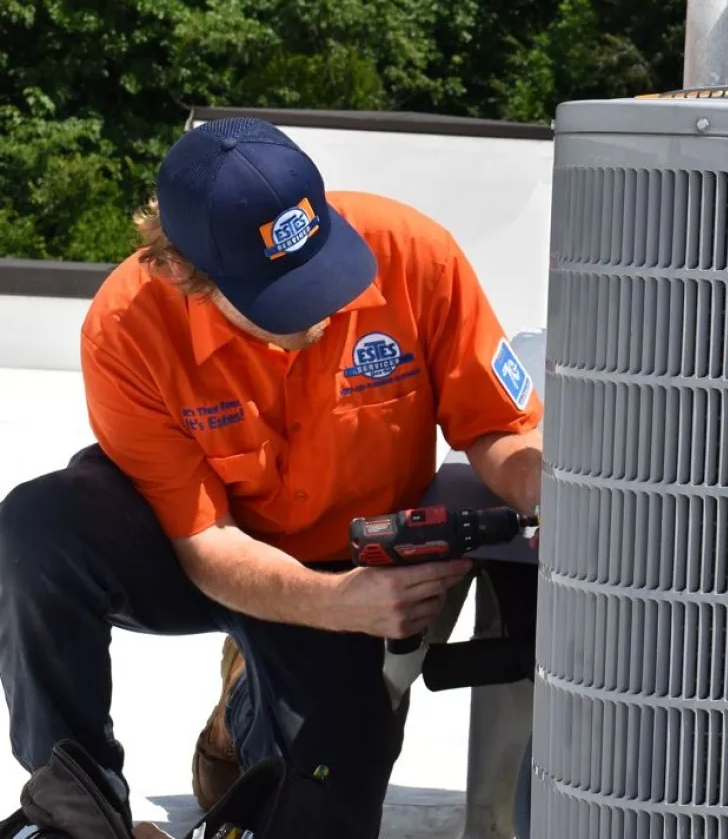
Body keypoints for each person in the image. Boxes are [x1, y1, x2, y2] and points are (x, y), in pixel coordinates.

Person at [0, 117, 544, 838]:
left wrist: (551, 495)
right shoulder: (127, 327)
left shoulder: (416, 255)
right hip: (201, 554)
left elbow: (498, 427)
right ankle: (76, 811)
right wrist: (335, 605)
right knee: (39, 529)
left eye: (323, 273)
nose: (318, 310)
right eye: (276, 299)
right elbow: (208, 545)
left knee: (324, 805)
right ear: (176, 272)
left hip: (347, 562)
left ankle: (244, 709)